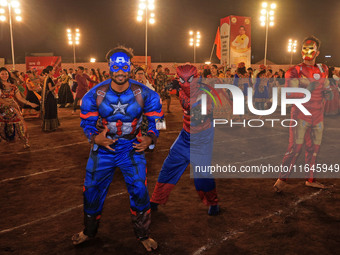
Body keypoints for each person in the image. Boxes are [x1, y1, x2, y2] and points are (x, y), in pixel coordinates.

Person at [72, 46, 162, 252]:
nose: (120, 72)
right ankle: (89, 231)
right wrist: (95, 138)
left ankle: (143, 234)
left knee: (139, 189)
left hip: (132, 147)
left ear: (130, 67)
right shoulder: (95, 94)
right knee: (91, 189)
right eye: (116, 66)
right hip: (103, 149)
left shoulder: (146, 93)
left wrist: (150, 137)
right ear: (109, 68)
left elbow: (159, 120)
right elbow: (86, 122)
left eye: (124, 67)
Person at [150, 64, 220, 216]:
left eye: (189, 79)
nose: (186, 83)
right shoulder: (180, 89)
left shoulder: (205, 93)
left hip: (202, 137)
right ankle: (156, 199)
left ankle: (213, 202)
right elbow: (159, 103)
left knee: (201, 174)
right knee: (169, 165)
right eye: (182, 79)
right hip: (185, 134)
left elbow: (198, 118)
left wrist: (177, 90)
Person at [273, 36, 331, 192]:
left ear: (317, 52)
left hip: (318, 115)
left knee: (313, 149)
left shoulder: (323, 69)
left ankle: (310, 179)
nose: (307, 51)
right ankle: (281, 180)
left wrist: (328, 92)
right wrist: (308, 90)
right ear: (300, 50)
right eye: (305, 48)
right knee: (295, 148)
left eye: (311, 49)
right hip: (300, 114)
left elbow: (326, 88)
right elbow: (289, 95)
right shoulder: (294, 71)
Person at [0, 67, 38, 148]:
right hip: (2, 109)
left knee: (19, 124)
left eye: (6, 74)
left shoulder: (13, 86)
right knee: (1, 125)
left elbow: (20, 98)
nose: (4, 75)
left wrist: (30, 103)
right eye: (2, 74)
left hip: (13, 108)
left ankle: (25, 141)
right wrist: (8, 104)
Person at [42, 66, 60, 132]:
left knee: (49, 111)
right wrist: (57, 84)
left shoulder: (48, 78)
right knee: (51, 111)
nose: (54, 71)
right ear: (50, 71)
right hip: (50, 97)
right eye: (53, 70)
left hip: (49, 97)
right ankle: (51, 127)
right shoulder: (49, 79)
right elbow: (50, 89)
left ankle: (49, 127)